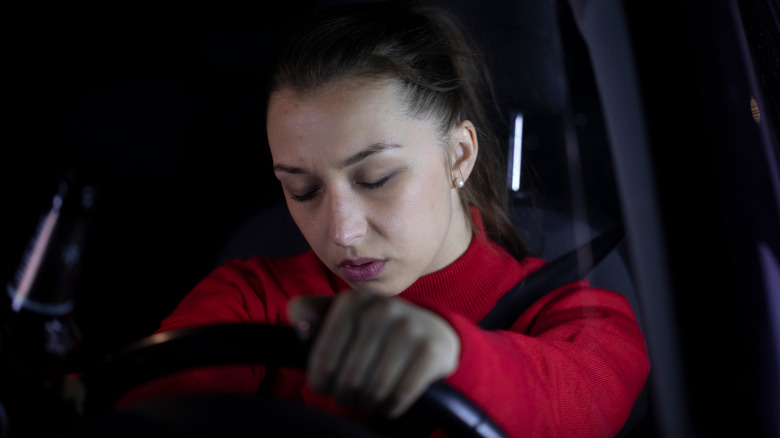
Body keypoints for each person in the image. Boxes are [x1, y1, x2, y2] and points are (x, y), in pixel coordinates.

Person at [118, 1, 650, 436]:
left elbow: (582, 403)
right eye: (302, 190)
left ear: (459, 155)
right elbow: (142, 408)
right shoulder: (252, 297)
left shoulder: (572, 313)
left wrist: (447, 353)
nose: (342, 232)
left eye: (376, 179)